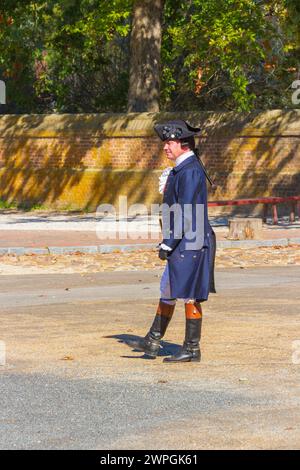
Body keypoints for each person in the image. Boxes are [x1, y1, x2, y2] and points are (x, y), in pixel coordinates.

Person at [135, 119, 216, 363]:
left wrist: (170, 241)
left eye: (169, 143)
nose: (165, 147)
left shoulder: (190, 170)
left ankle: (191, 348)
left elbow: (188, 211)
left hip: (191, 241)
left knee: (189, 294)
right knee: (168, 288)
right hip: (185, 240)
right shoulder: (183, 169)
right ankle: (153, 339)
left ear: (182, 143)